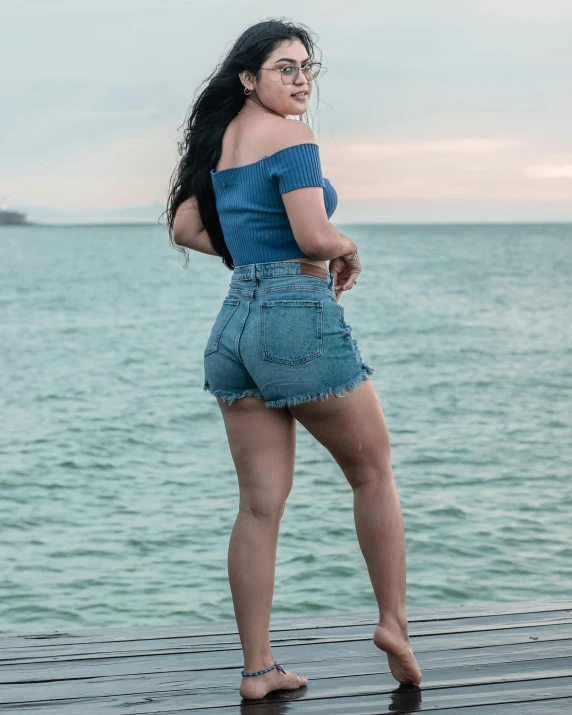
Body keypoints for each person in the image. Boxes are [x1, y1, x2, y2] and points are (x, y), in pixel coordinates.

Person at [164, 18, 422, 701]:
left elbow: (185, 227)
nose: (302, 78)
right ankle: (394, 624)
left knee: (258, 506)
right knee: (372, 472)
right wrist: (344, 245)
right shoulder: (296, 137)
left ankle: (257, 670)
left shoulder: (220, 144)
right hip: (292, 314)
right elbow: (312, 231)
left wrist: (251, 257)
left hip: (233, 325)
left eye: (308, 67)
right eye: (285, 67)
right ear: (249, 77)